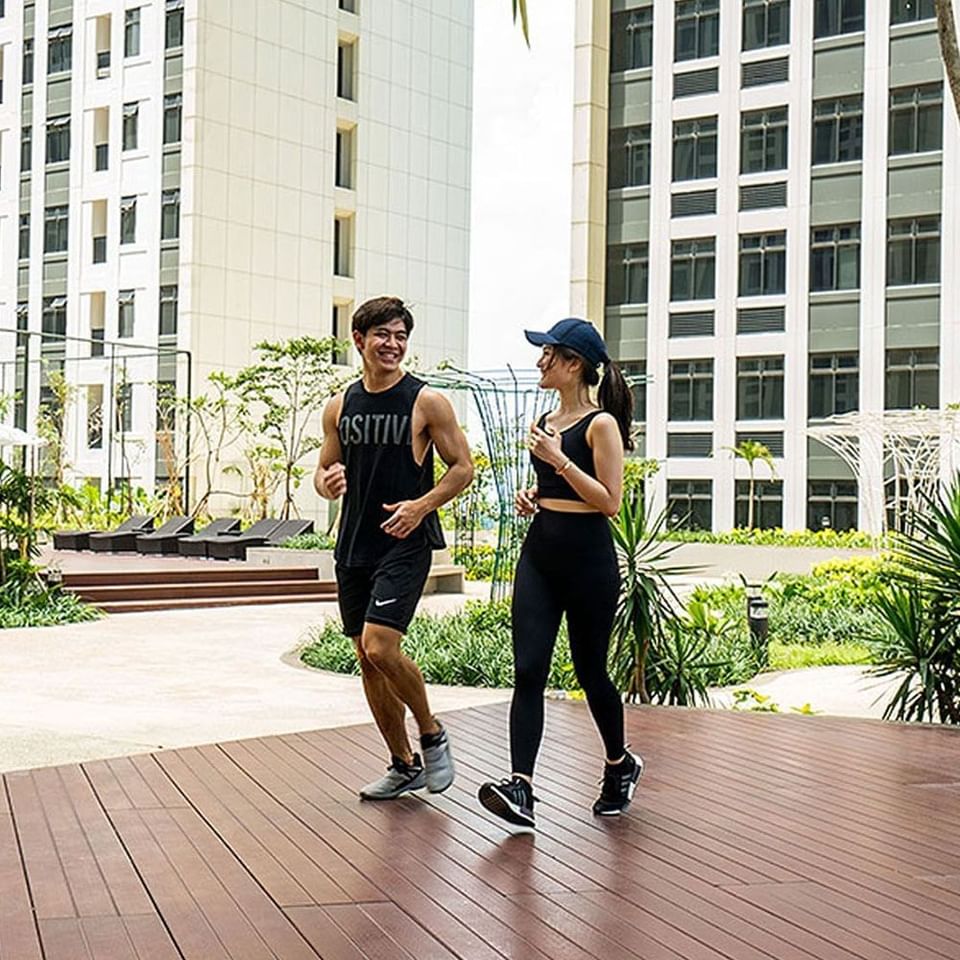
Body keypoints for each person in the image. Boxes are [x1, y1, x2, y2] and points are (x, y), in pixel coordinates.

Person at [477, 318, 641, 828]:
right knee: (528, 669)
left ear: (573, 363)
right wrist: (535, 495)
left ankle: (620, 764)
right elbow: (556, 488)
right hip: (541, 556)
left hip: (589, 561)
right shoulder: (546, 422)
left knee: (591, 672)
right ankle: (521, 787)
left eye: (547, 353)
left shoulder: (601, 425)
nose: (539, 361)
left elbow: (610, 502)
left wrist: (560, 463)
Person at [315, 296, 474, 800]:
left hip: (406, 542)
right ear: (359, 340)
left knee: (383, 644)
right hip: (354, 543)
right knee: (366, 655)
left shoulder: (426, 402)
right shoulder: (340, 406)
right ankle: (403, 763)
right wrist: (328, 482)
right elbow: (323, 472)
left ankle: (431, 732)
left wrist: (421, 506)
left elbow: (463, 468)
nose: (393, 344)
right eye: (383, 334)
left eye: (401, 335)